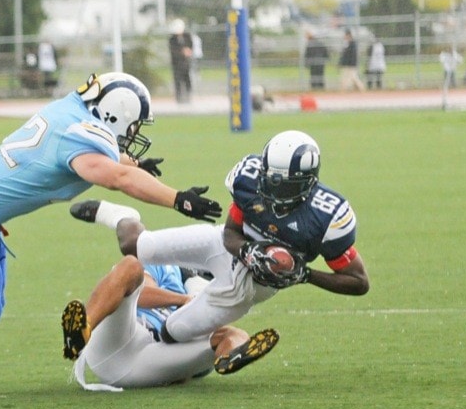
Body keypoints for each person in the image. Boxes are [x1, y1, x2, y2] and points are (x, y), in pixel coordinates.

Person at [0, 72, 222, 399]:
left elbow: (104, 160)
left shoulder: (69, 111)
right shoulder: (82, 138)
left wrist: (132, 163)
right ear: (115, 114)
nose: (132, 135)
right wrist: (179, 199)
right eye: (132, 125)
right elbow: (116, 177)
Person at [67, 130, 369, 347]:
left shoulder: (326, 216)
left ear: (307, 183)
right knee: (133, 246)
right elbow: (230, 233)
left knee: (174, 332)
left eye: (284, 186)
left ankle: (197, 303)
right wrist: (249, 251)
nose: (272, 190)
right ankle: (121, 214)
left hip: (248, 286)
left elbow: (359, 282)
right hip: (226, 247)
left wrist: (304, 274)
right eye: (269, 179)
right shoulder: (249, 180)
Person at [61, 255, 280, 391]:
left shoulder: (211, 291)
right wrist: (182, 300)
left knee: (232, 334)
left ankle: (231, 356)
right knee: (130, 265)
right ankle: (82, 332)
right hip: (125, 336)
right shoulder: (167, 268)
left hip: (151, 358)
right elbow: (143, 294)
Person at [168, 19, 193, 103]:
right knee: (178, 80)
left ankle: (188, 96)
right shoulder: (172, 39)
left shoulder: (187, 36)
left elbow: (190, 45)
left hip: (186, 63)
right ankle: (179, 98)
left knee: (187, 79)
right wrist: (182, 52)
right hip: (177, 64)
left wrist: (188, 51)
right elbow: (173, 51)